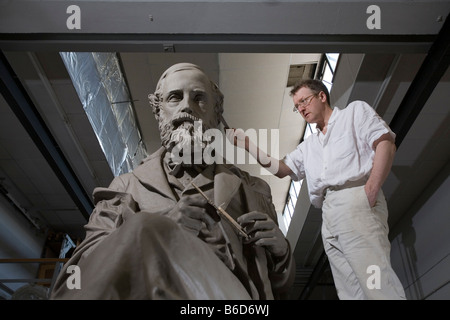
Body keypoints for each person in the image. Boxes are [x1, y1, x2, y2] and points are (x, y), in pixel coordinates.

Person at [50, 63, 295, 300]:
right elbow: (82, 271)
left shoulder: (254, 190)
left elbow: (279, 287)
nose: (187, 107)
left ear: (216, 113)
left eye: (199, 98)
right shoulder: (126, 186)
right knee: (145, 228)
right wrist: (162, 230)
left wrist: (282, 254)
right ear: (159, 111)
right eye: (175, 97)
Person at [227, 79, 406, 300]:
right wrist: (247, 145)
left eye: (304, 101)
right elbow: (282, 169)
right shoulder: (308, 146)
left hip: (355, 198)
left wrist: (370, 189)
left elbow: (385, 143)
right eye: (297, 106)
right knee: (349, 289)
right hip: (329, 212)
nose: (301, 108)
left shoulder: (353, 112)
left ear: (322, 96)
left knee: (373, 276)